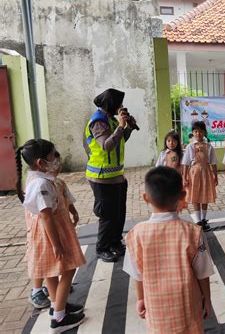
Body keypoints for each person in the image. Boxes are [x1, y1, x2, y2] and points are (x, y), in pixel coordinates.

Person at [123, 166, 214, 333]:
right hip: (188, 307)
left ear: (146, 198)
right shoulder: (193, 232)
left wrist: (141, 298)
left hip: (157, 309)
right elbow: (203, 273)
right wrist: (207, 300)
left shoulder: (136, 234)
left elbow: (137, 273)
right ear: (182, 196)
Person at [16, 139, 86, 332]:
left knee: (51, 271)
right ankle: (59, 319)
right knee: (68, 268)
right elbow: (46, 216)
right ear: (41, 162)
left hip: (48, 231)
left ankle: (58, 306)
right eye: (53, 155)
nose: (56, 159)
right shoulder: (41, 184)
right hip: (52, 233)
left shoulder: (38, 179)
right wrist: (57, 244)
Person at [85, 88, 135, 263]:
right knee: (107, 214)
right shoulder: (98, 122)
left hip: (116, 175)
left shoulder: (110, 120)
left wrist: (127, 128)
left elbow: (119, 141)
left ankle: (115, 242)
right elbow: (106, 145)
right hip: (101, 177)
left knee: (119, 212)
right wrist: (121, 126)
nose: (121, 106)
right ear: (111, 104)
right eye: (118, 103)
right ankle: (102, 248)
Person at [182, 121, 218, 231]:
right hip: (194, 173)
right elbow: (186, 163)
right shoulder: (190, 146)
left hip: (206, 173)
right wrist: (184, 177)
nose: (198, 134)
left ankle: (203, 219)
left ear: (204, 132)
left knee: (205, 195)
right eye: (196, 131)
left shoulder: (209, 146)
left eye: (201, 131)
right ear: (193, 133)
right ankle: (197, 221)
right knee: (195, 196)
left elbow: (213, 162)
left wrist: (215, 176)